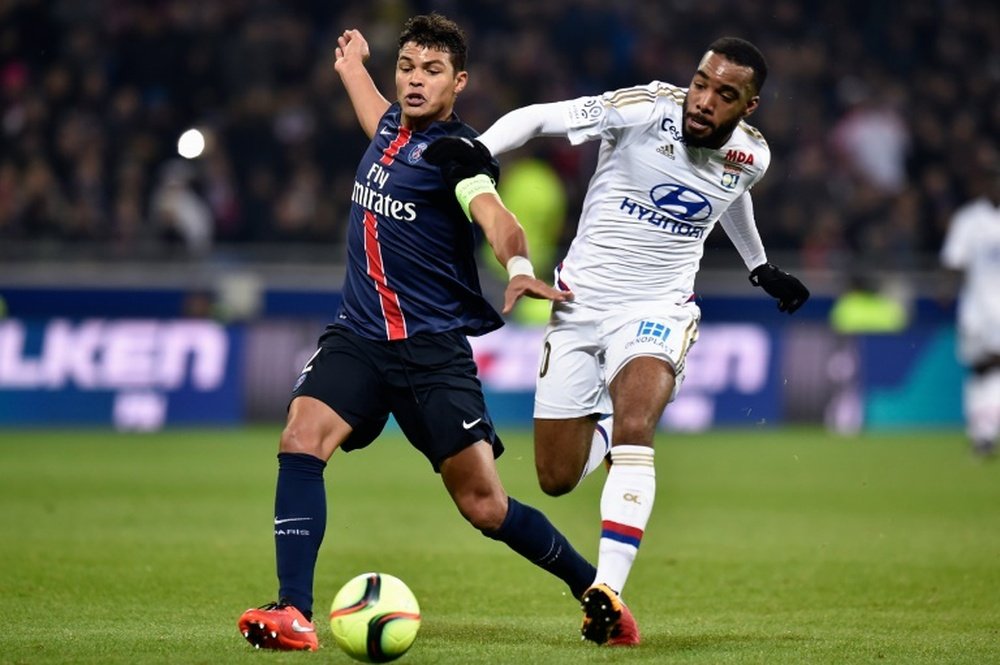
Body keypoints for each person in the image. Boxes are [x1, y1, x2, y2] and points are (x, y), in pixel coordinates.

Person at [238, 14, 597, 651]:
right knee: (300, 439)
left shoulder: (458, 154)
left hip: (431, 353)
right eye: (407, 68)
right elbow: (373, 110)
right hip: (359, 336)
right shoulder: (387, 127)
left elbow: (497, 216)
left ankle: (593, 588)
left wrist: (517, 266)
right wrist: (352, 67)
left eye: (432, 71)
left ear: (458, 83)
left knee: (485, 505)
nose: (414, 81)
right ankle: (294, 612)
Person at [463, 36, 808, 645]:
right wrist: (475, 154)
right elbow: (538, 118)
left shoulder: (752, 156)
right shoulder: (643, 109)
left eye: (724, 94)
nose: (703, 100)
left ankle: (607, 590)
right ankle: (604, 434)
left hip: (658, 306)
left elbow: (733, 194)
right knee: (555, 476)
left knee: (637, 426)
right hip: (579, 303)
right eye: (701, 82)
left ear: (747, 107)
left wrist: (758, 265)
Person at [940, 157, 1000, 458]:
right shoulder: (969, 220)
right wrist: (947, 290)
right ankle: (982, 433)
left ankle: (985, 433)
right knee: (980, 370)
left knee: (990, 369)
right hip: (977, 312)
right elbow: (953, 261)